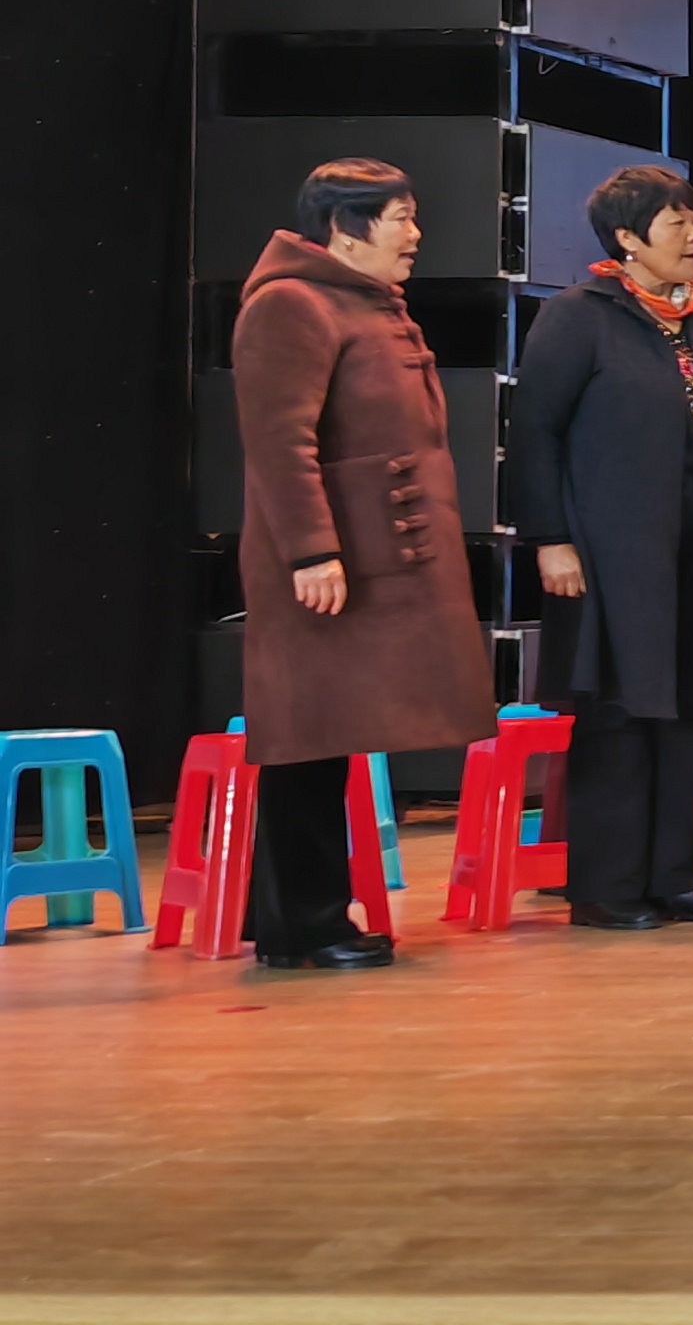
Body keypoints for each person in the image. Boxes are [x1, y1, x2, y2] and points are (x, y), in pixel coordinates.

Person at [229, 160, 500, 968]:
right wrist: (311, 549)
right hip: (326, 564)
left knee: (334, 734)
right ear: (345, 230)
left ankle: (303, 916)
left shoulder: (366, 301)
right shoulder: (291, 304)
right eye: (400, 217)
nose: (415, 234)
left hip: (377, 560)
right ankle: (302, 926)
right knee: (307, 737)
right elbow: (280, 444)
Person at [506, 166, 693, 930]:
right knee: (620, 714)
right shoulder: (580, 316)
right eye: (674, 223)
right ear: (627, 238)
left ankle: (674, 877)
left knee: (690, 709)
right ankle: (607, 885)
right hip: (611, 552)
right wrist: (549, 538)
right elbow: (534, 434)